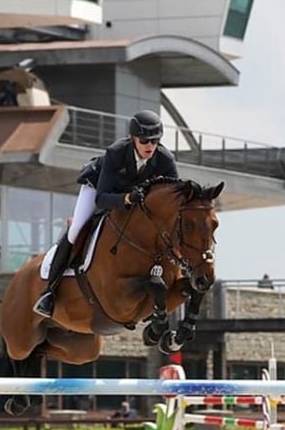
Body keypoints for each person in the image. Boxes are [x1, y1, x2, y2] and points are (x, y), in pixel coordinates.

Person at [33, 110, 178, 318]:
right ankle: (49, 292)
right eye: (145, 140)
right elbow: (101, 198)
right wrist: (126, 199)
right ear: (133, 138)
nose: (150, 146)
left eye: (155, 141)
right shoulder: (116, 153)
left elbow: (172, 197)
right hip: (99, 189)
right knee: (76, 231)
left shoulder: (165, 160)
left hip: (134, 197)